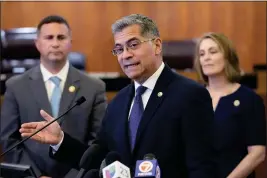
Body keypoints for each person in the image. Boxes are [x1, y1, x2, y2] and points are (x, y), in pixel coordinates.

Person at [19, 14, 216, 178]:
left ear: (157, 45)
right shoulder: (119, 101)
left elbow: (202, 169)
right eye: (119, 49)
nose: (125, 55)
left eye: (133, 45)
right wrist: (60, 140)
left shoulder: (190, 95)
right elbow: (96, 159)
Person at [1, 15, 107, 178]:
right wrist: (34, 175)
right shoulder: (16, 86)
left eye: (61, 37)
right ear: (38, 43)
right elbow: (9, 139)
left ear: (70, 42)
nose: (55, 43)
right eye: (49, 37)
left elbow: (97, 142)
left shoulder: (94, 87)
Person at [194, 32, 266, 178]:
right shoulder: (193, 98)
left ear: (228, 57)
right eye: (202, 54)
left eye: (213, 52)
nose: (206, 58)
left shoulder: (249, 99)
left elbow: (257, 153)